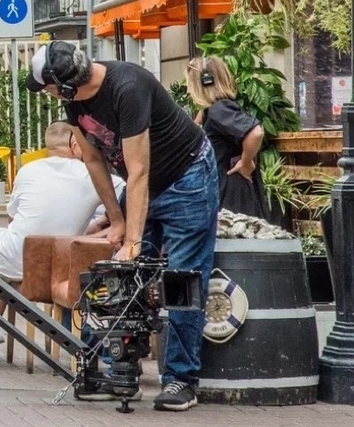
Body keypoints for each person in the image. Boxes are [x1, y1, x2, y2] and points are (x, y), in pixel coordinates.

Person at [26, 40, 218, 412]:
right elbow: (93, 159)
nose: (47, 94)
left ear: (65, 85)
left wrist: (133, 239)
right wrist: (116, 220)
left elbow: (139, 169)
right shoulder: (74, 101)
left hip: (187, 179)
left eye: (47, 89)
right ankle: (120, 373)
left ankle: (181, 379)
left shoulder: (128, 87)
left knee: (182, 278)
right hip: (144, 185)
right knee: (120, 276)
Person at [0, 121, 117, 368]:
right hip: (62, 268)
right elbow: (130, 202)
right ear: (75, 144)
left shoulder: (28, 171)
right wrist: (102, 230)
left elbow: (13, 220)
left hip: (20, 261)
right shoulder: (94, 175)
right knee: (3, 258)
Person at [186, 56, 267, 219]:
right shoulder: (216, 110)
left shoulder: (219, 109)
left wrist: (245, 162)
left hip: (231, 193)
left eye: (190, 84)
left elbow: (255, 132)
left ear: (204, 83)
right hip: (231, 189)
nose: (188, 91)